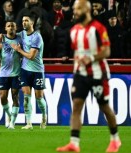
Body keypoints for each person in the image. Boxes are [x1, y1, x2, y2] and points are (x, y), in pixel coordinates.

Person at [56, 0, 121, 152]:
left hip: (98, 73)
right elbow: (78, 52)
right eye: (74, 9)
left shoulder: (98, 28)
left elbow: (106, 51)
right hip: (80, 74)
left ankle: (115, 140)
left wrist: (91, 58)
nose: (75, 11)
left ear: (87, 9)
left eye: (78, 9)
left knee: (104, 106)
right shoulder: (74, 30)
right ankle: (74, 143)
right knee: (77, 106)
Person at [10, 12, 47, 130]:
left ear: (32, 22)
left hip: (37, 71)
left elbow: (31, 56)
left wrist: (19, 50)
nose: (24, 23)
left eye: (26, 20)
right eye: (22, 21)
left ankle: (44, 117)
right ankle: (29, 123)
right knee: (26, 97)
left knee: (39, 98)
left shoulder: (37, 37)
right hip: (25, 70)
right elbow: (10, 35)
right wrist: (1, 35)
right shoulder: (22, 34)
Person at [0, 20, 21, 129]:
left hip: (16, 73)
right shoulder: (1, 39)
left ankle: (12, 123)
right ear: (5, 28)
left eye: (13, 26)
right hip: (4, 73)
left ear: (16, 28)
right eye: (8, 26)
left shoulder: (20, 39)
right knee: (3, 97)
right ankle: (9, 115)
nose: (11, 28)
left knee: (15, 96)